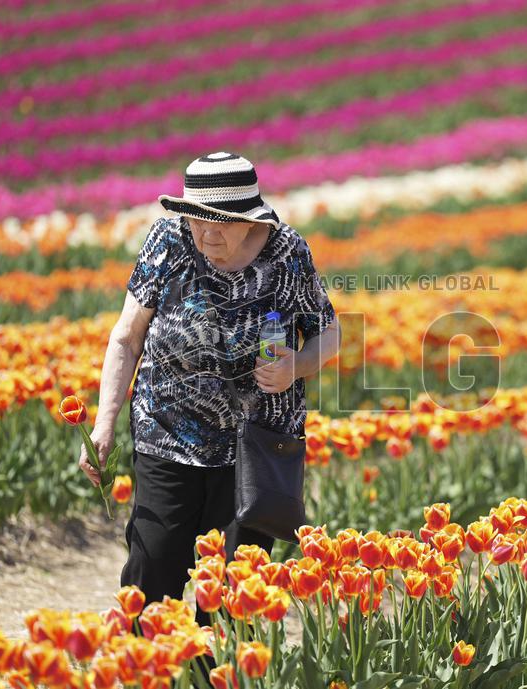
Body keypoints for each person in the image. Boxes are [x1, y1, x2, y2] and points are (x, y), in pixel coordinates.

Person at [78, 151, 341, 623]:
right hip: (167, 432)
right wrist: (103, 425)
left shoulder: (286, 254)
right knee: (152, 569)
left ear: (250, 220)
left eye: (220, 223)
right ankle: (150, 670)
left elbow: (330, 333)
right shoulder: (168, 241)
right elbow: (126, 337)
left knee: (230, 591)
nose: (206, 234)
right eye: (197, 220)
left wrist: (296, 367)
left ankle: (211, 675)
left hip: (253, 449)